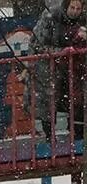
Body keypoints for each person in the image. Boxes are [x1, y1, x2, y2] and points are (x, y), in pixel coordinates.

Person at [32, 0, 87, 141]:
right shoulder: (51, 16)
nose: (75, 11)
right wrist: (61, 52)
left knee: (78, 98)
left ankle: (78, 135)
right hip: (50, 65)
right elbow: (37, 44)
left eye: (78, 8)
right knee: (49, 98)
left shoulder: (83, 20)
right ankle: (50, 135)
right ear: (66, 6)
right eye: (72, 8)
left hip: (76, 67)